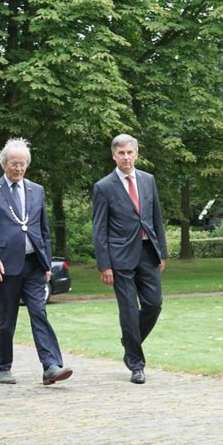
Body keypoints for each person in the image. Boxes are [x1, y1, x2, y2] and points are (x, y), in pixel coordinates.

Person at [0, 138, 72, 386]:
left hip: (33, 265)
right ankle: (4, 365)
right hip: (5, 266)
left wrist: (47, 263)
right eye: (13, 164)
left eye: (22, 164)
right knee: (7, 317)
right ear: (4, 163)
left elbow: (43, 230)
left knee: (39, 312)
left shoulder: (36, 190)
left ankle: (50, 366)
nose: (18, 169)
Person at [91, 133, 166, 385]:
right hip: (119, 257)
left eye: (129, 152)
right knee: (129, 310)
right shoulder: (104, 187)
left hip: (148, 252)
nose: (125, 157)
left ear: (136, 153)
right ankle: (136, 364)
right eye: (120, 153)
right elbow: (99, 229)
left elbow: (156, 218)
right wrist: (104, 265)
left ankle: (129, 340)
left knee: (154, 304)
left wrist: (161, 252)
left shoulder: (148, 180)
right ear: (114, 155)